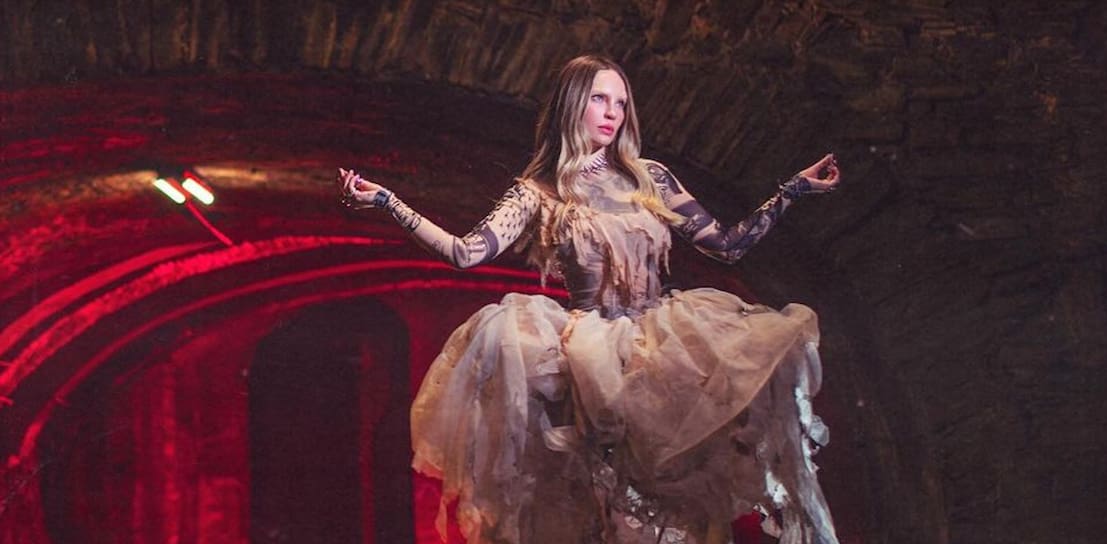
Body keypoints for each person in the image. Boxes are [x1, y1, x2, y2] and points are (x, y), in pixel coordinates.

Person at [338, 55, 841, 544]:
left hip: (661, 350)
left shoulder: (651, 177)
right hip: (587, 359)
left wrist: (792, 191)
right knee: (599, 510)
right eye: (599, 99)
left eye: (620, 103)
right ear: (572, 104)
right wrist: (389, 202)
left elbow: (727, 246)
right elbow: (465, 253)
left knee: (675, 503)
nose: (611, 113)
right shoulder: (538, 192)